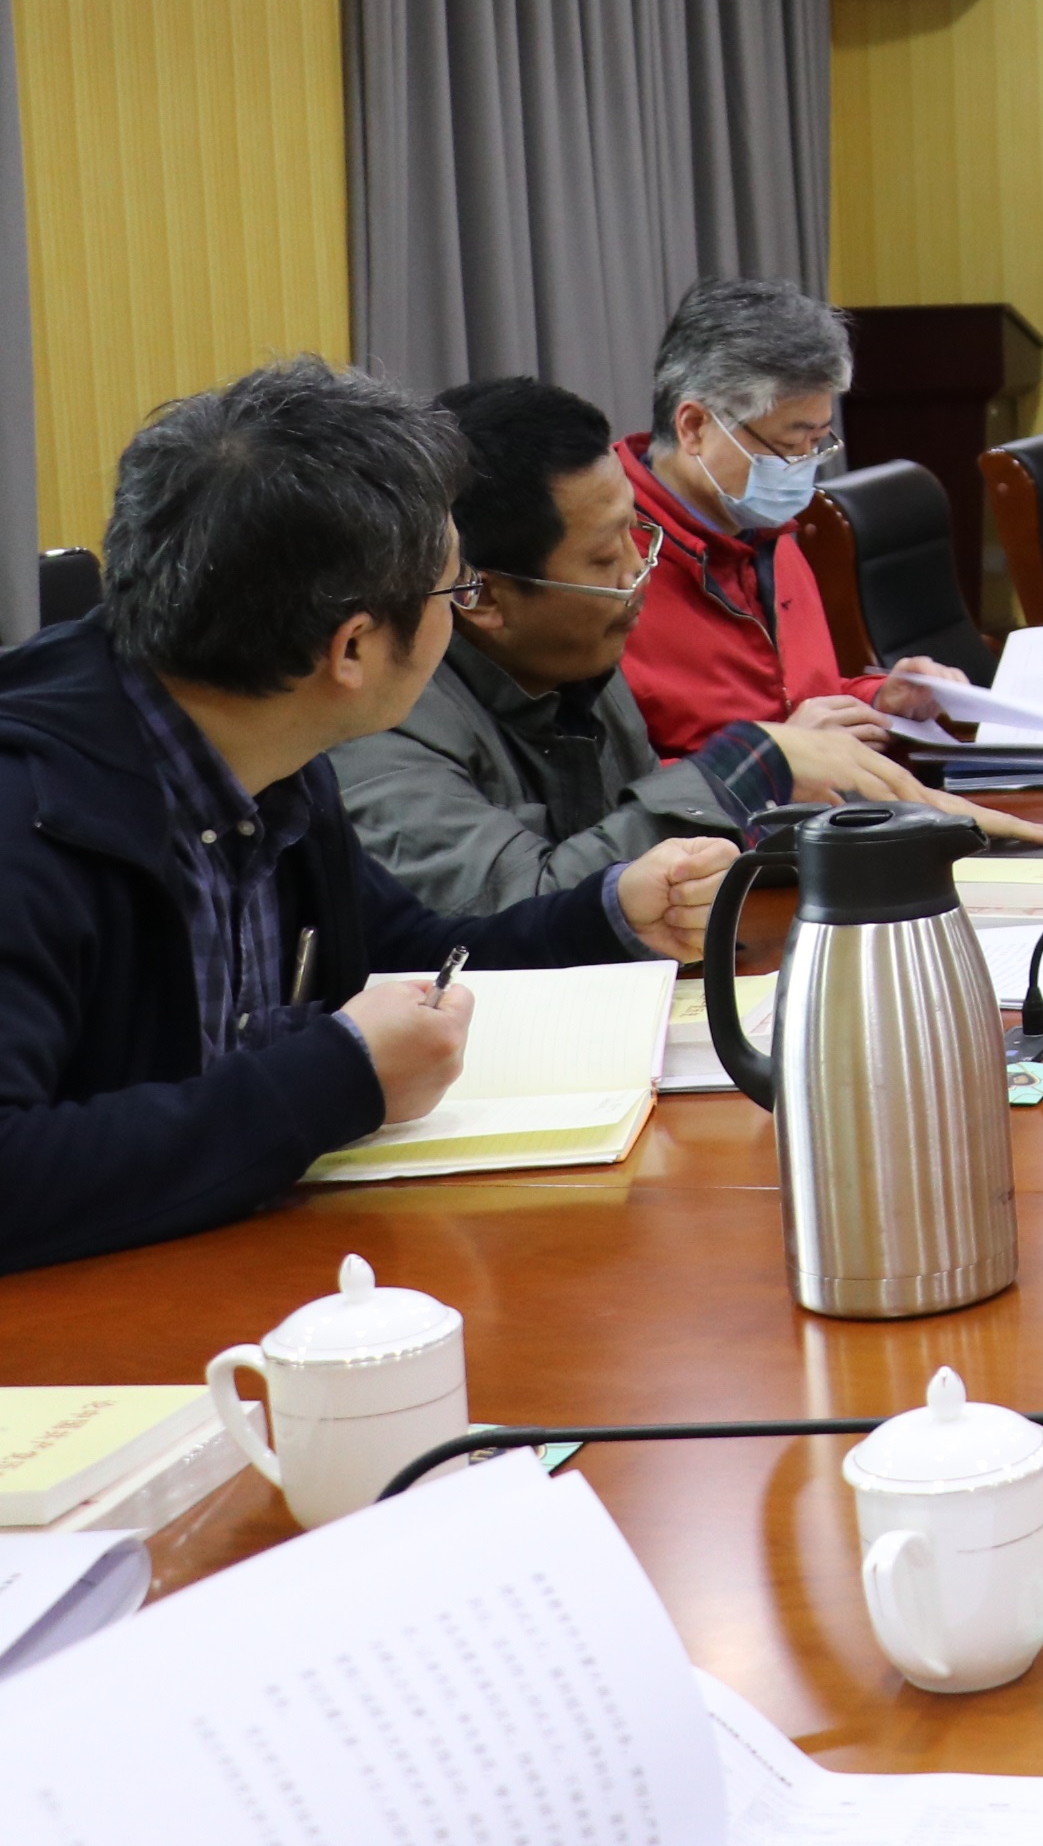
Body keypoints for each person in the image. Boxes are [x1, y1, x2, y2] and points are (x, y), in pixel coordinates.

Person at [0, 361, 738, 1276]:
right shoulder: (32, 814)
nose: (462, 616)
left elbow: (406, 952)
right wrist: (337, 1079)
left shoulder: (272, 749)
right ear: (351, 647)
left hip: (240, 1272)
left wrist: (609, 913)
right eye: (452, 593)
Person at [331, 379, 1043, 911]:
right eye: (605, 557)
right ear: (480, 595)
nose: (638, 574)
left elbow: (653, 852)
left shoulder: (577, 660)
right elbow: (523, 908)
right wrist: (745, 767)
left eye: (636, 533)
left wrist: (885, 831)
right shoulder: (380, 717)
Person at [622, 278, 949, 760]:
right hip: (736, 810)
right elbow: (614, 786)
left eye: (817, 442)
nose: (801, 468)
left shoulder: (761, 527)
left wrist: (878, 700)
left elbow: (799, 701)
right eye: (789, 445)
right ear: (693, 426)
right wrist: (770, 758)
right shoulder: (608, 560)